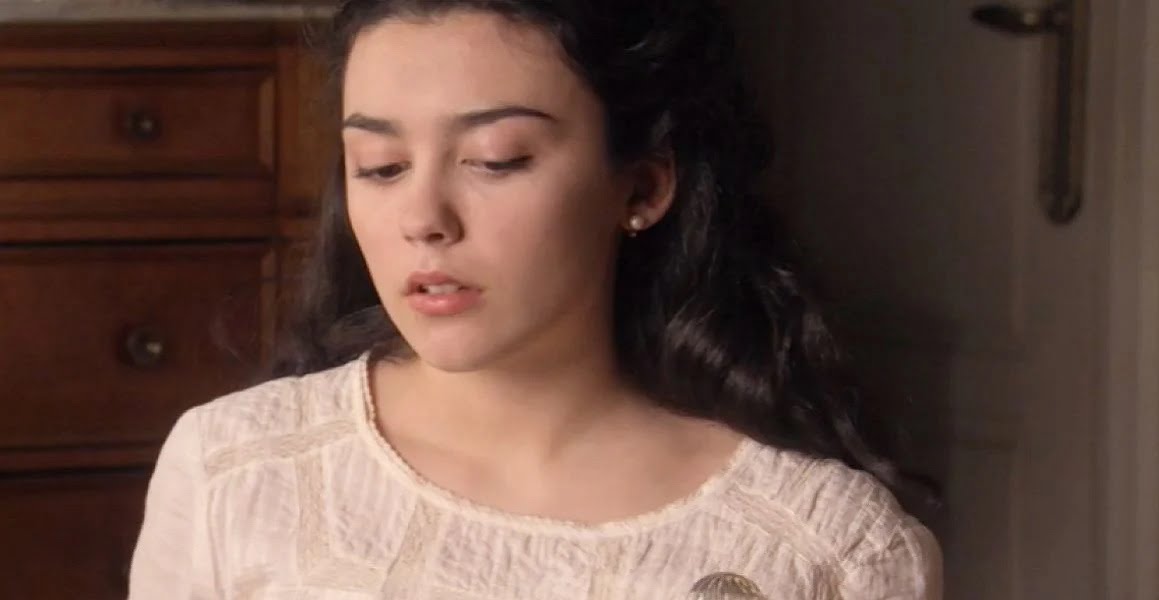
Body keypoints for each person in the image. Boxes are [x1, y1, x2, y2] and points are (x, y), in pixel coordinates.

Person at [128, 0, 942, 598]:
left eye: (496, 159)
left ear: (642, 186)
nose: (422, 218)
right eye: (381, 167)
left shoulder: (826, 546)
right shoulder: (235, 471)